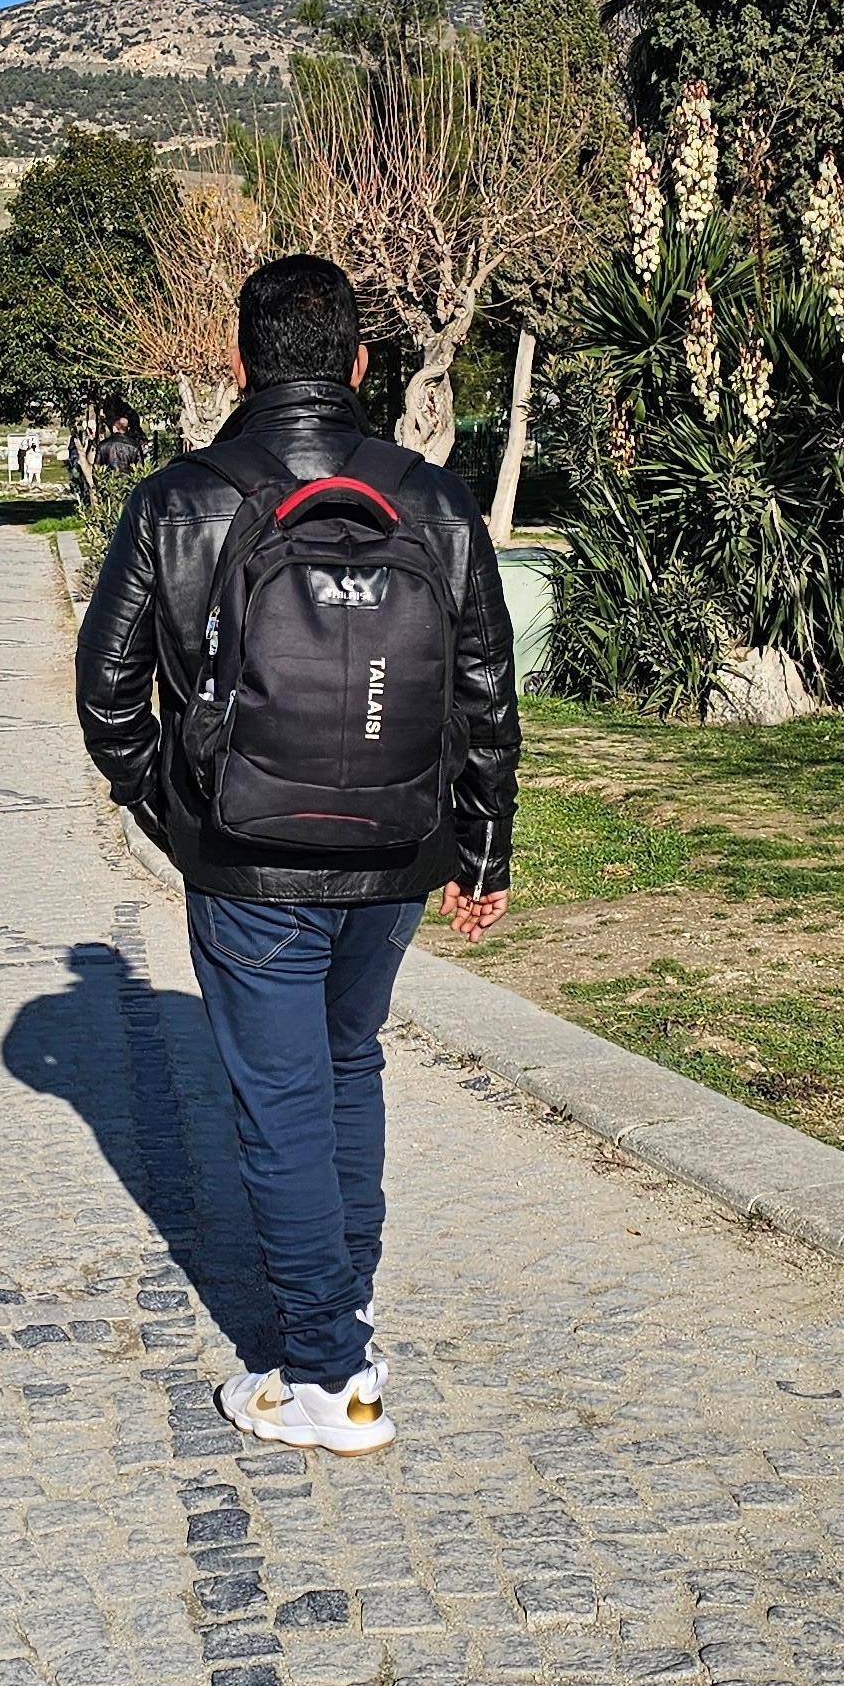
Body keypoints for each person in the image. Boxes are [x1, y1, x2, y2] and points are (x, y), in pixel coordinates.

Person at [72, 255, 517, 1454]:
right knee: (348, 1066)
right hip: (396, 850)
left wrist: (177, 816)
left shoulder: (179, 499)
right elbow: (485, 689)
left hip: (247, 859)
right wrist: (483, 847)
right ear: (360, 364)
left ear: (238, 360)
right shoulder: (432, 497)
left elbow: (107, 694)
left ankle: (328, 1372)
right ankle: (344, 1308)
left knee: (280, 1104)